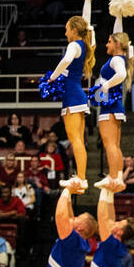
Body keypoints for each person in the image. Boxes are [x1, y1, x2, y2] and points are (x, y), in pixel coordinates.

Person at [44, 11, 96, 193]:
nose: (65, 33)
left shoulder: (74, 45)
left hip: (73, 97)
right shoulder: (83, 44)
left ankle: (82, 178)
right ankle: (81, 177)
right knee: (78, 140)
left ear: (74, 30)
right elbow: (86, 22)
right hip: (75, 96)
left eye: (67, 29)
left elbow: (66, 60)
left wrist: (52, 78)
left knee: (76, 140)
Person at [92, 29, 134, 190]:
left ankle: (113, 176)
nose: (106, 44)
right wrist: (117, 14)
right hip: (114, 106)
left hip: (109, 106)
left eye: (109, 41)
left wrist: (105, 86)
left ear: (117, 44)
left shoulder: (117, 59)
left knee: (110, 144)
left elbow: (121, 74)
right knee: (114, 145)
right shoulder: (121, 58)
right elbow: (119, 31)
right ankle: (117, 176)